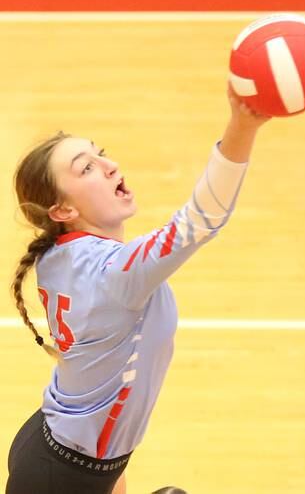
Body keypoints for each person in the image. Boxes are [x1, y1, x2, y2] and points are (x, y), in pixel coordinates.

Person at [5, 84, 269, 494]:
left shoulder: (61, 253)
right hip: (66, 473)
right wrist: (242, 125)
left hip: (67, 452)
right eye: (85, 168)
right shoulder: (112, 273)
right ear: (63, 211)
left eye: (100, 153)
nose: (108, 165)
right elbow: (202, 218)